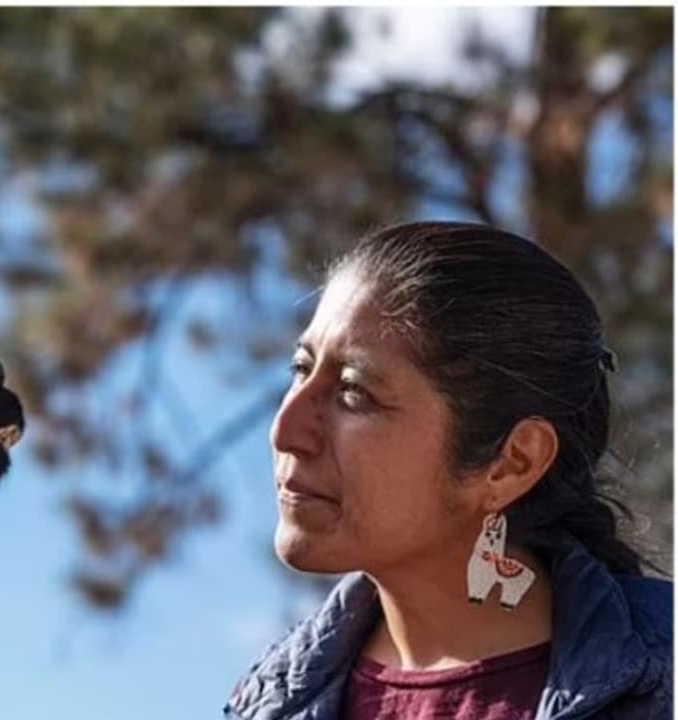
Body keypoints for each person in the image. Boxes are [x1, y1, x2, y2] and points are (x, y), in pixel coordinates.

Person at [223, 222, 672, 720]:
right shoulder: (270, 701)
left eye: (354, 392)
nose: (285, 431)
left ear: (512, 462)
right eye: (301, 369)